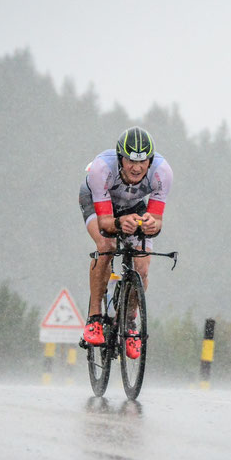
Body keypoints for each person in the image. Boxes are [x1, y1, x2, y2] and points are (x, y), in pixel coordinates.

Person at [78, 126, 173, 358]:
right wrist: (120, 224)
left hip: (134, 206)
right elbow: (105, 224)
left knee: (141, 266)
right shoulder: (102, 169)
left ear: (150, 161)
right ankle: (94, 318)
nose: (136, 167)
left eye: (142, 162)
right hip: (100, 204)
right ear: (120, 158)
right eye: (130, 160)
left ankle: (129, 321)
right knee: (107, 247)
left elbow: (157, 221)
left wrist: (152, 224)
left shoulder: (163, 173)